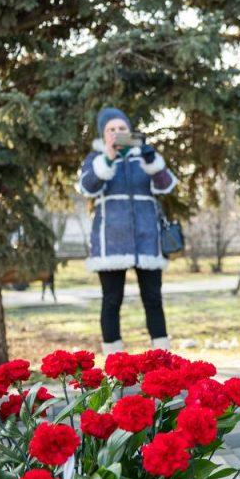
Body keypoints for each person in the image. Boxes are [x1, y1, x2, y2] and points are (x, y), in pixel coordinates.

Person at [78, 107, 178, 354]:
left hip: (147, 239)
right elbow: (88, 186)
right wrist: (109, 157)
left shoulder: (143, 156)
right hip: (111, 241)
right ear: (103, 134)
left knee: (153, 299)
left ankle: (161, 358)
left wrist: (153, 162)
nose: (117, 133)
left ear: (130, 131)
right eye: (111, 129)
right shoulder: (96, 158)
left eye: (122, 128)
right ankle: (115, 362)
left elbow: (166, 185)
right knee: (112, 300)